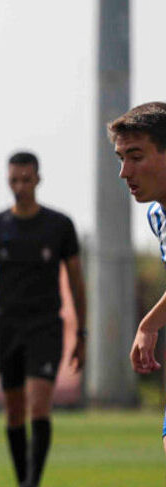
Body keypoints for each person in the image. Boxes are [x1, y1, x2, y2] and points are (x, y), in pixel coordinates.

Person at [0, 151, 86, 487]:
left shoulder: (59, 225)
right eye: (14, 180)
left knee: (39, 402)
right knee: (13, 411)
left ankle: (33, 485)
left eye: (27, 179)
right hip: (6, 327)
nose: (20, 187)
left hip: (45, 325)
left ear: (38, 180)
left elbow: (76, 282)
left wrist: (83, 333)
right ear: (7, 180)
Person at [113, 104, 166, 442]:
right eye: (121, 158)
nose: (124, 171)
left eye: (136, 156)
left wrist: (149, 324)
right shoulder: (157, 216)